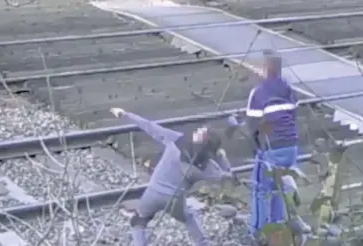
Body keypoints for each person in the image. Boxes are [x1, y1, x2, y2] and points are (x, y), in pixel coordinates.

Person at [110, 108, 235, 246]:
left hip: (152, 194)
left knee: (138, 221)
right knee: (188, 217)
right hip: (175, 201)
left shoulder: (176, 139)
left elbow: (150, 127)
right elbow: (228, 176)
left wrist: (125, 114)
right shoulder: (207, 167)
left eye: (200, 132)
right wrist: (221, 157)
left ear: (199, 139)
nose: (197, 130)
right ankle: (203, 243)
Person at [245, 50, 299, 237]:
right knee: (280, 187)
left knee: (260, 189)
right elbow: (293, 115)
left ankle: (257, 232)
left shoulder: (258, 93)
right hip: (291, 146)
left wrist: (257, 150)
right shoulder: (288, 89)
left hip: (271, 147)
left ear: (266, 68)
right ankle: (277, 228)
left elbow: (252, 127)